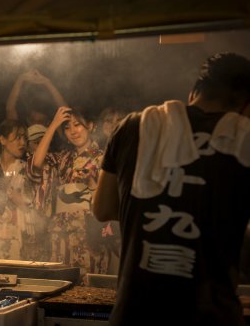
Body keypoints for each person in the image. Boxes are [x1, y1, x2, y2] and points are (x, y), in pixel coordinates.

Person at [93, 52, 250, 326]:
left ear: (194, 92)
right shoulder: (246, 138)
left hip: (135, 314)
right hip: (210, 316)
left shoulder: (132, 126)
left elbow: (103, 208)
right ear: (244, 102)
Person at [28, 106, 110, 276]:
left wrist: (93, 185)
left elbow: (110, 198)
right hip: (61, 233)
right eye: (67, 127)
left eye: (77, 125)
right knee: (62, 284)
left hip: (89, 234)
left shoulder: (102, 157)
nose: (73, 131)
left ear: (91, 126)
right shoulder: (63, 157)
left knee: (89, 289)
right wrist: (53, 125)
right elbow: (36, 163)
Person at [0, 119, 43, 260]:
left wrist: (14, 196)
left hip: (20, 232)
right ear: (2, 140)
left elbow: (34, 206)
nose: (22, 143)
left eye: (24, 138)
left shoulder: (26, 169)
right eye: (17, 138)